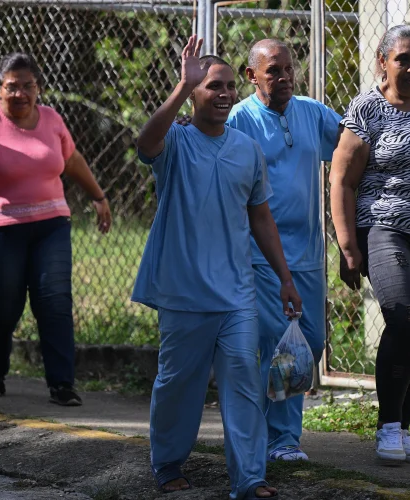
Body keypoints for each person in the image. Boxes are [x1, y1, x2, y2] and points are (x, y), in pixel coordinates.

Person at [133, 35, 299, 499]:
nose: (224, 94)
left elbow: (260, 216)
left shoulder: (247, 149)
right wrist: (181, 88)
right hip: (184, 294)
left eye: (229, 86)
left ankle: (249, 479)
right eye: (213, 86)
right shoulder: (178, 142)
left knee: (244, 382)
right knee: (178, 385)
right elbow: (145, 143)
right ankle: (167, 463)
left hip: (237, 293)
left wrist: (285, 278)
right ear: (194, 93)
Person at [330, 25, 410, 464]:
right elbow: (342, 179)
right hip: (383, 227)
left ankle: (402, 431)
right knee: (406, 320)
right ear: (382, 62)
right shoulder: (366, 109)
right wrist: (348, 246)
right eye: (402, 58)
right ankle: (387, 427)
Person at [226, 39, 342, 462]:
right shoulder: (239, 119)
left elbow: (350, 149)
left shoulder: (312, 112)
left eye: (289, 68)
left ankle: (248, 425)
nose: (285, 77)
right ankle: (282, 440)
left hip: (308, 254)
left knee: (307, 342)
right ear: (251, 75)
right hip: (261, 255)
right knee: (280, 345)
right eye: (274, 70)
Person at [0, 52, 112, 406]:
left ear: (38, 88)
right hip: (3, 226)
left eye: (28, 86)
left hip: (52, 224)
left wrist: (98, 196)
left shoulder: (52, 119)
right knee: (4, 304)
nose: (20, 93)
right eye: (12, 86)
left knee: (54, 302)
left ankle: (62, 384)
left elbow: (72, 160)